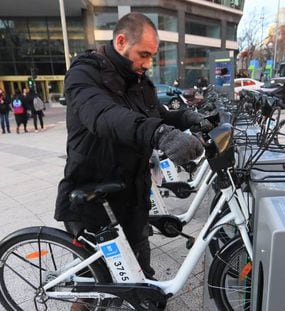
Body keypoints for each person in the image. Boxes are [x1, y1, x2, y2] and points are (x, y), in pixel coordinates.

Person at [55, 12, 204, 289]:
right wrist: (159, 134)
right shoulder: (84, 74)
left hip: (132, 191)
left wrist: (187, 117)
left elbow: (155, 114)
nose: (148, 64)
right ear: (121, 41)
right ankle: (85, 300)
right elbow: (104, 115)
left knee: (140, 267)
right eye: (144, 54)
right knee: (95, 271)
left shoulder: (139, 81)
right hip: (92, 191)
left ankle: (141, 290)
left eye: (152, 56)